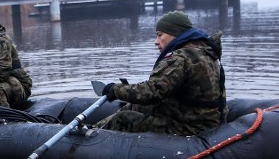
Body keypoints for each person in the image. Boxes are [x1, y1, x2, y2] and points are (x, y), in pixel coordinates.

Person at [95, 10, 226, 135]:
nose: (156, 42)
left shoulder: (180, 58)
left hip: (192, 127)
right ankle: (92, 129)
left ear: (175, 33)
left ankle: (88, 138)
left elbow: (152, 92)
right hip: (204, 119)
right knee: (136, 107)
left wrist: (115, 90)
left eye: (160, 35)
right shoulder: (204, 51)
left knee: (123, 119)